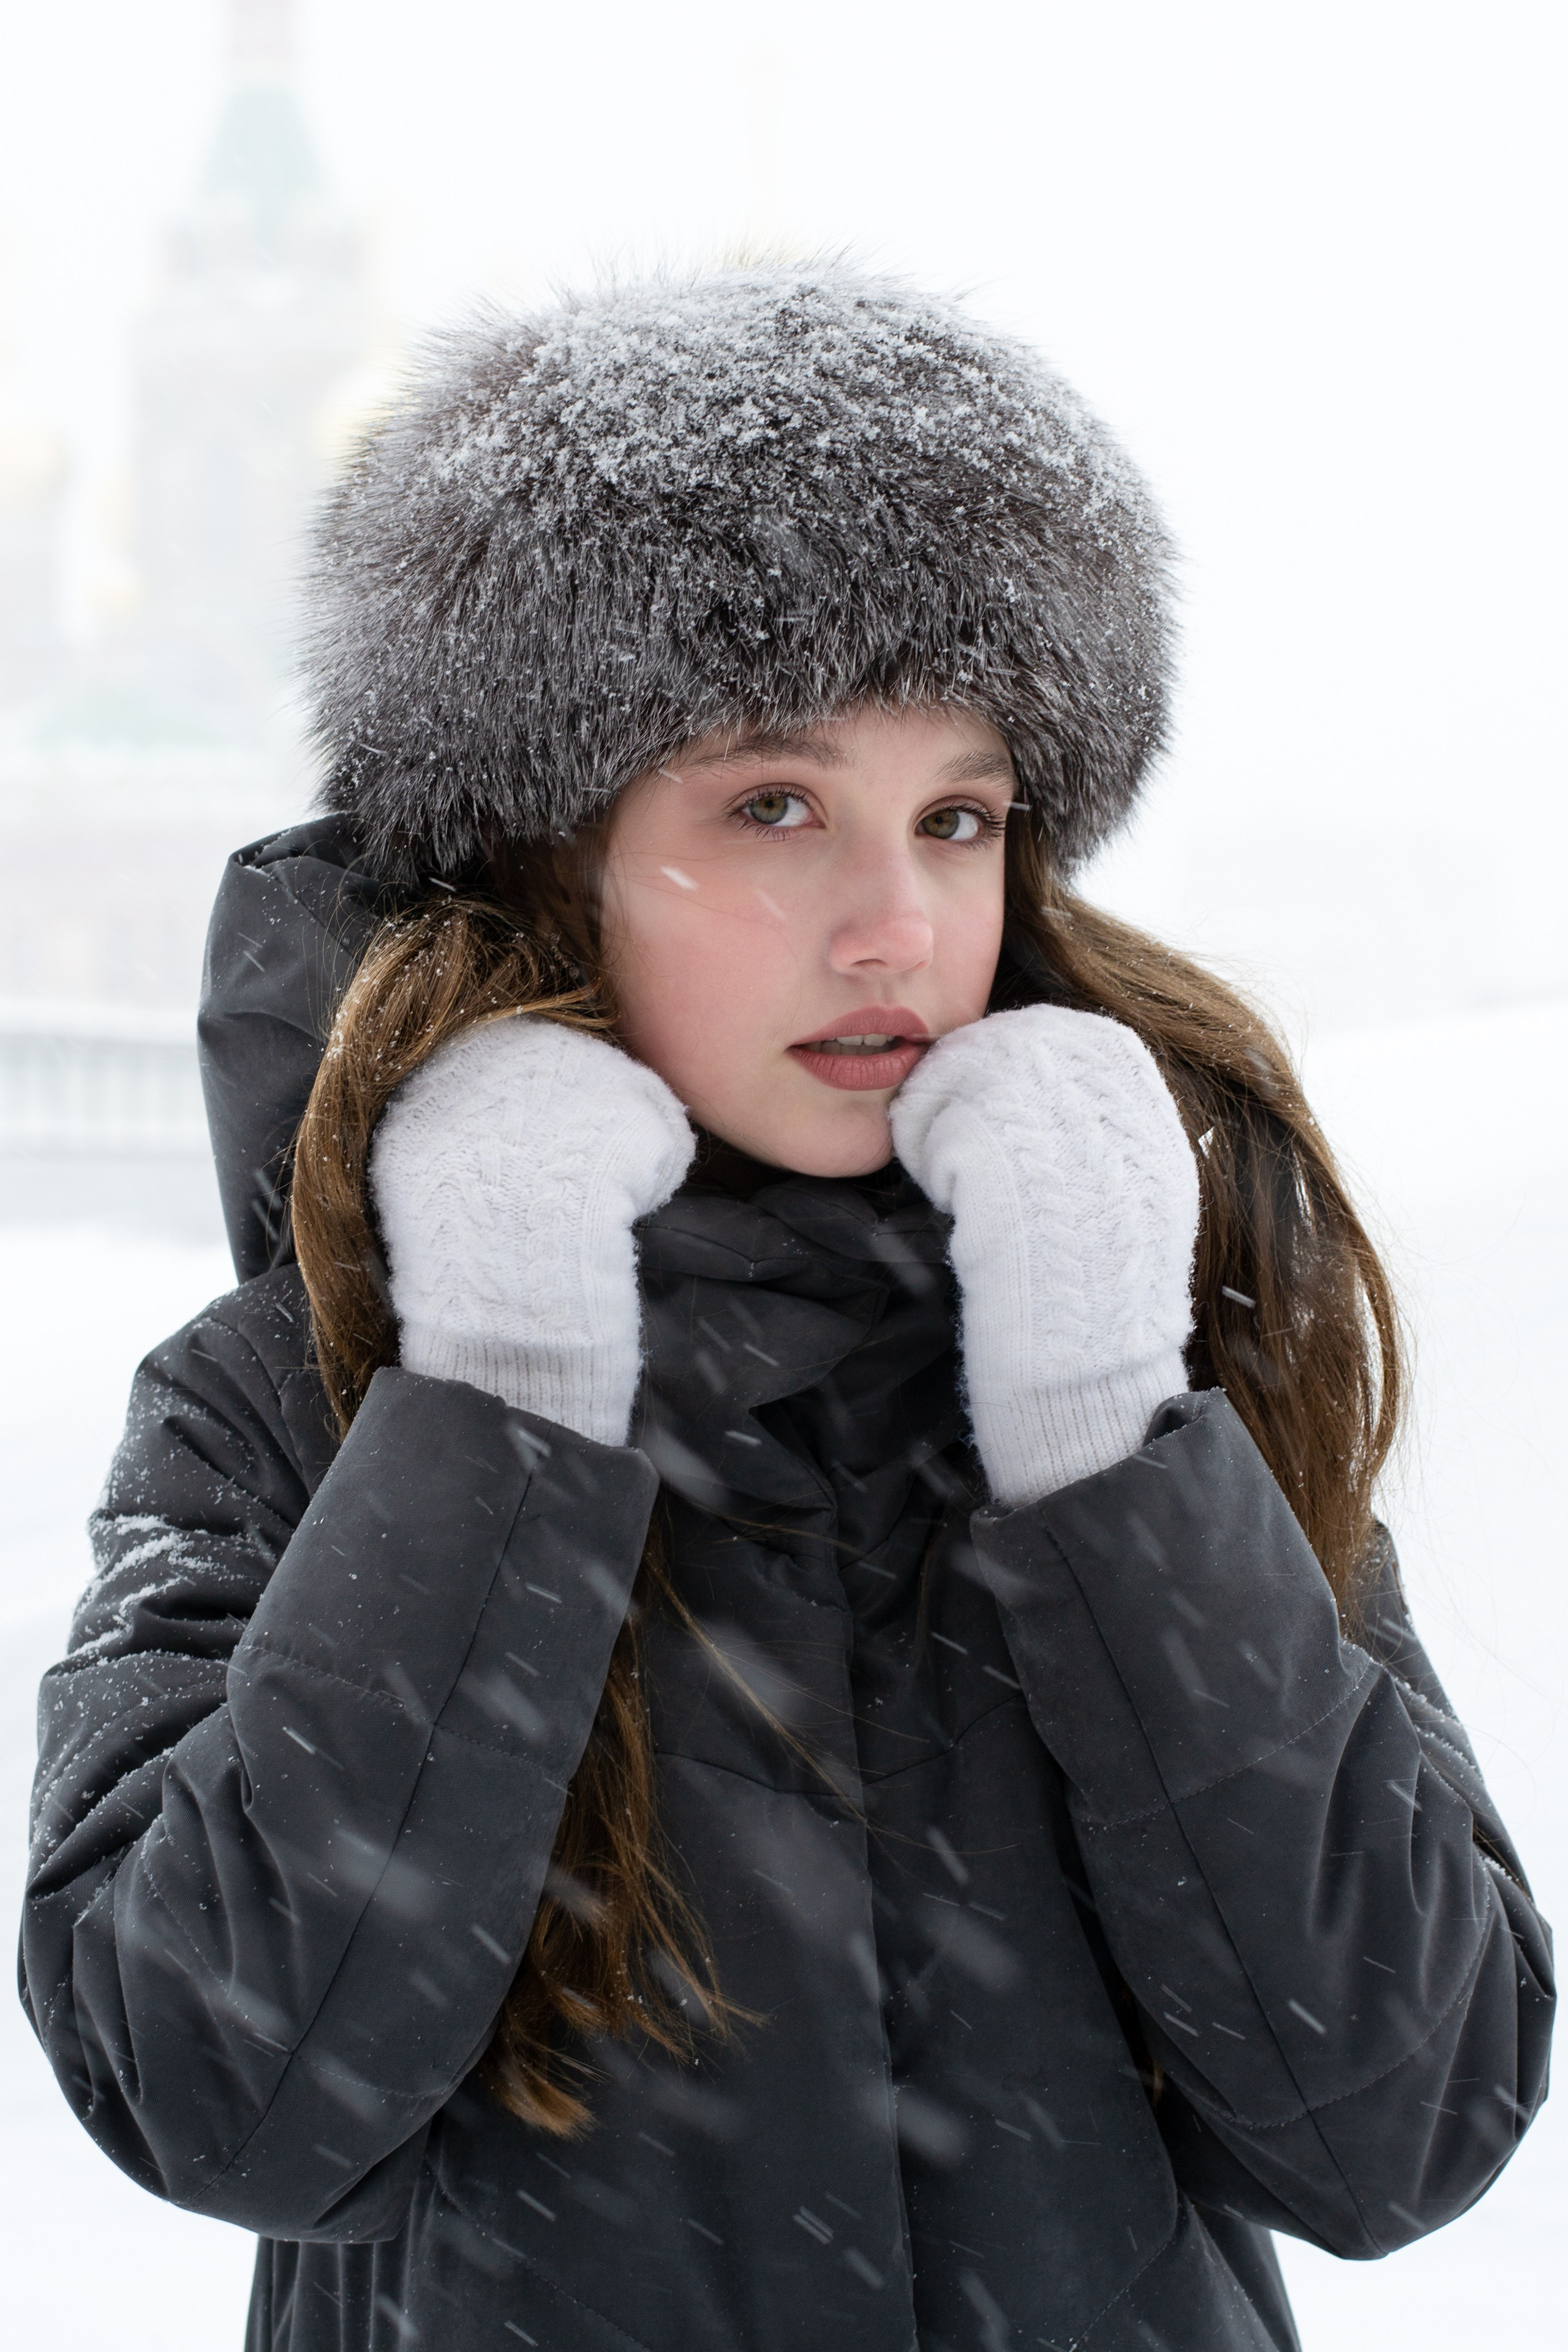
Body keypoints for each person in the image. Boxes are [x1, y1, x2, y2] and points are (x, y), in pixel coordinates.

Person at [22, 265, 1551, 2352]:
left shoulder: (1141, 1355)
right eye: (774, 805)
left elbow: (1404, 2116)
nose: (897, 924)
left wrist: (1111, 1425)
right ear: (549, 851)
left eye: (960, 818)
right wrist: (499, 1398)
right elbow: (225, 2093)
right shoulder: (292, 1401)